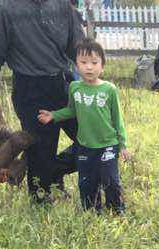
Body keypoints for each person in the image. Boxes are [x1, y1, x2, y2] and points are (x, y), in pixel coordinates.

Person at [0, 0, 84, 204]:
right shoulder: (5, 8)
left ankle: (54, 170)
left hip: (63, 84)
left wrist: (96, 85)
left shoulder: (63, 6)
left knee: (96, 139)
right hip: (30, 90)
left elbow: (80, 51)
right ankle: (43, 183)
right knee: (40, 184)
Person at [38, 40, 130, 214]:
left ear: (102, 65)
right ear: (76, 65)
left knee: (110, 180)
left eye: (94, 63)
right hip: (85, 147)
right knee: (87, 182)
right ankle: (92, 213)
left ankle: (117, 213)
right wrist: (53, 115)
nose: (89, 67)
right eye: (83, 62)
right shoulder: (74, 88)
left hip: (107, 145)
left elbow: (118, 120)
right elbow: (72, 110)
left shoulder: (109, 89)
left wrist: (122, 145)